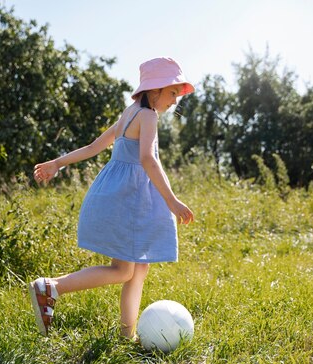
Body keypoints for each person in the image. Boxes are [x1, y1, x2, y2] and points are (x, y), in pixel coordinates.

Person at [29, 57, 195, 339]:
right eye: (172, 92)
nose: (175, 101)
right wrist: (172, 201)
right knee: (122, 270)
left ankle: (126, 335)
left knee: (138, 268)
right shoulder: (148, 115)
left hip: (122, 197)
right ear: (154, 89)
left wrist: (58, 162)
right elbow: (148, 160)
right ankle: (52, 287)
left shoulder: (129, 113)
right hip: (131, 201)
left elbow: (94, 147)